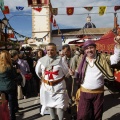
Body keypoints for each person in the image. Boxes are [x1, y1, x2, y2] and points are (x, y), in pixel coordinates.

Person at [75, 38, 120, 120]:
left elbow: (115, 59)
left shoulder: (102, 58)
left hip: (98, 93)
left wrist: (118, 45)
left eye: (91, 47)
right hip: (84, 92)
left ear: (95, 48)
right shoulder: (82, 60)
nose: (89, 50)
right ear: (84, 50)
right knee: (82, 115)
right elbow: (78, 72)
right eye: (87, 48)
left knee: (97, 115)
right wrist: (73, 73)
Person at [35, 43, 70, 120]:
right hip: (47, 87)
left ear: (55, 50)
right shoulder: (41, 61)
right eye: (48, 50)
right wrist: (44, 79)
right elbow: (38, 72)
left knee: (60, 105)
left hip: (59, 87)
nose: (50, 52)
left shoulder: (61, 60)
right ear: (46, 50)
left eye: (52, 50)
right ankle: (53, 118)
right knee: (49, 104)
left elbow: (66, 72)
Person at [0, 51, 17, 120]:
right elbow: (14, 76)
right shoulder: (10, 67)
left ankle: (5, 117)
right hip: (10, 87)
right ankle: (12, 118)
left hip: (1, 87)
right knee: (11, 104)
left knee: (4, 104)